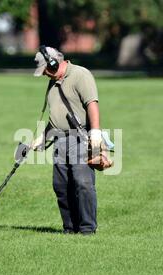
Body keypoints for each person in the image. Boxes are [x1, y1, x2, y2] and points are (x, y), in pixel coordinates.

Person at [31, 46, 102, 235]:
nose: (45, 74)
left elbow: (92, 104)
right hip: (59, 141)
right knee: (61, 186)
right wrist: (43, 137)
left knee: (83, 183)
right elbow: (56, 117)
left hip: (81, 138)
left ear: (53, 63)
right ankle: (70, 228)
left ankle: (87, 229)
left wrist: (95, 132)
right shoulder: (52, 84)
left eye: (45, 69)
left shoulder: (81, 75)